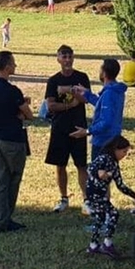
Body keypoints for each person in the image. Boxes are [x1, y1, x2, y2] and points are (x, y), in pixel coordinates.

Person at [0, 51, 33, 233]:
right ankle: (7, 218)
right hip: (13, 139)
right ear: (6, 67)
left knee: (0, 181)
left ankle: (0, 220)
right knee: (13, 179)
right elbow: (28, 115)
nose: (15, 66)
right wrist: (21, 110)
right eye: (13, 63)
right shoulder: (13, 91)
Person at [42, 46, 90, 214]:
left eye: (70, 56)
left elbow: (85, 99)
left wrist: (71, 91)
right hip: (60, 127)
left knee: (81, 165)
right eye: (64, 56)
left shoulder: (81, 77)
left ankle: (86, 200)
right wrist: (70, 104)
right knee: (60, 165)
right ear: (58, 59)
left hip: (78, 126)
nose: (68, 60)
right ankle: (63, 198)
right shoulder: (53, 80)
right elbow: (51, 105)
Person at [83, 135, 135, 258]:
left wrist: (134, 195)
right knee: (113, 214)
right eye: (124, 151)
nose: (125, 155)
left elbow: (120, 185)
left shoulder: (114, 164)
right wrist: (98, 173)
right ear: (115, 149)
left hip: (99, 193)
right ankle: (107, 244)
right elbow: (90, 168)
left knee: (100, 217)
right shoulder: (104, 158)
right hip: (94, 192)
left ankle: (93, 246)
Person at [68, 59, 126, 157]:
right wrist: (87, 93)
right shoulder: (117, 90)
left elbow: (106, 121)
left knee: (99, 171)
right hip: (113, 138)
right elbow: (102, 104)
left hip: (104, 141)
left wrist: (87, 131)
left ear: (104, 73)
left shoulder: (109, 93)